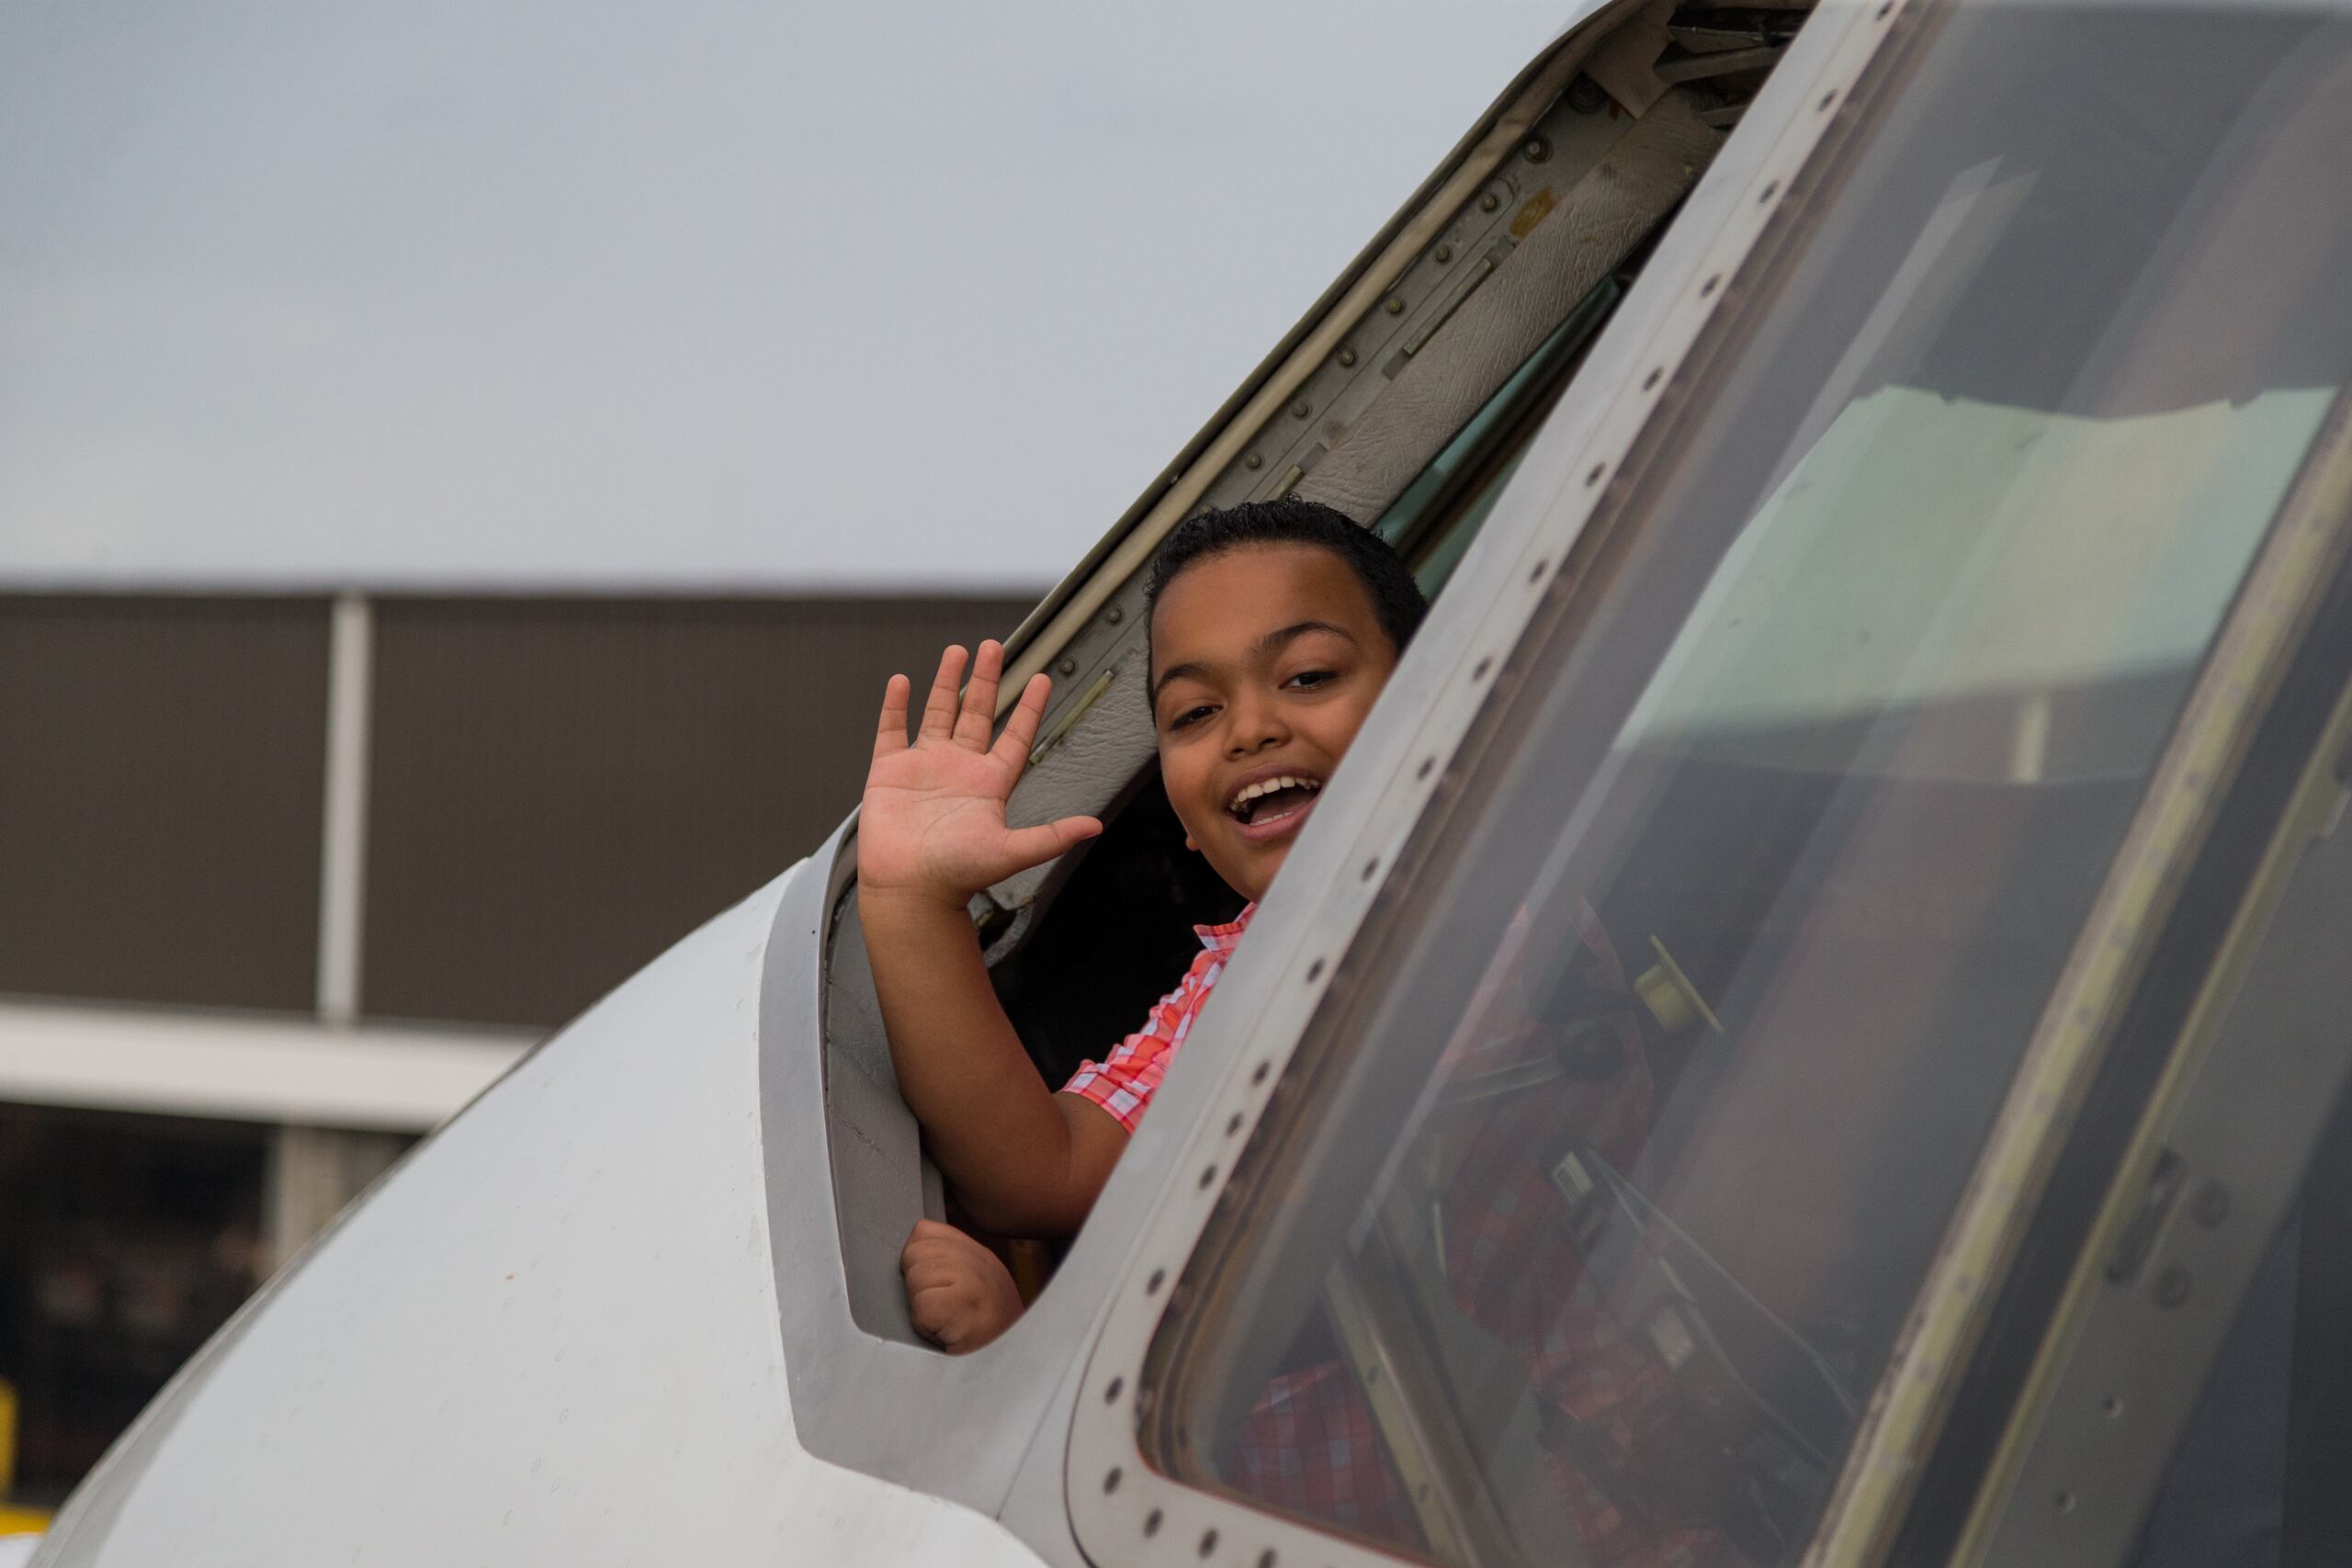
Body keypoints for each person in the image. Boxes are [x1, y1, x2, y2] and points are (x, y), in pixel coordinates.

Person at [858, 498, 1427, 1353]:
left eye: (1307, 676)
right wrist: (910, 902)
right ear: (1184, 820)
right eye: (1195, 713)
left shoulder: (1547, 881)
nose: (1252, 730)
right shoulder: (1232, 980)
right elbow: (1043, 1170)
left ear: (1444, 689)